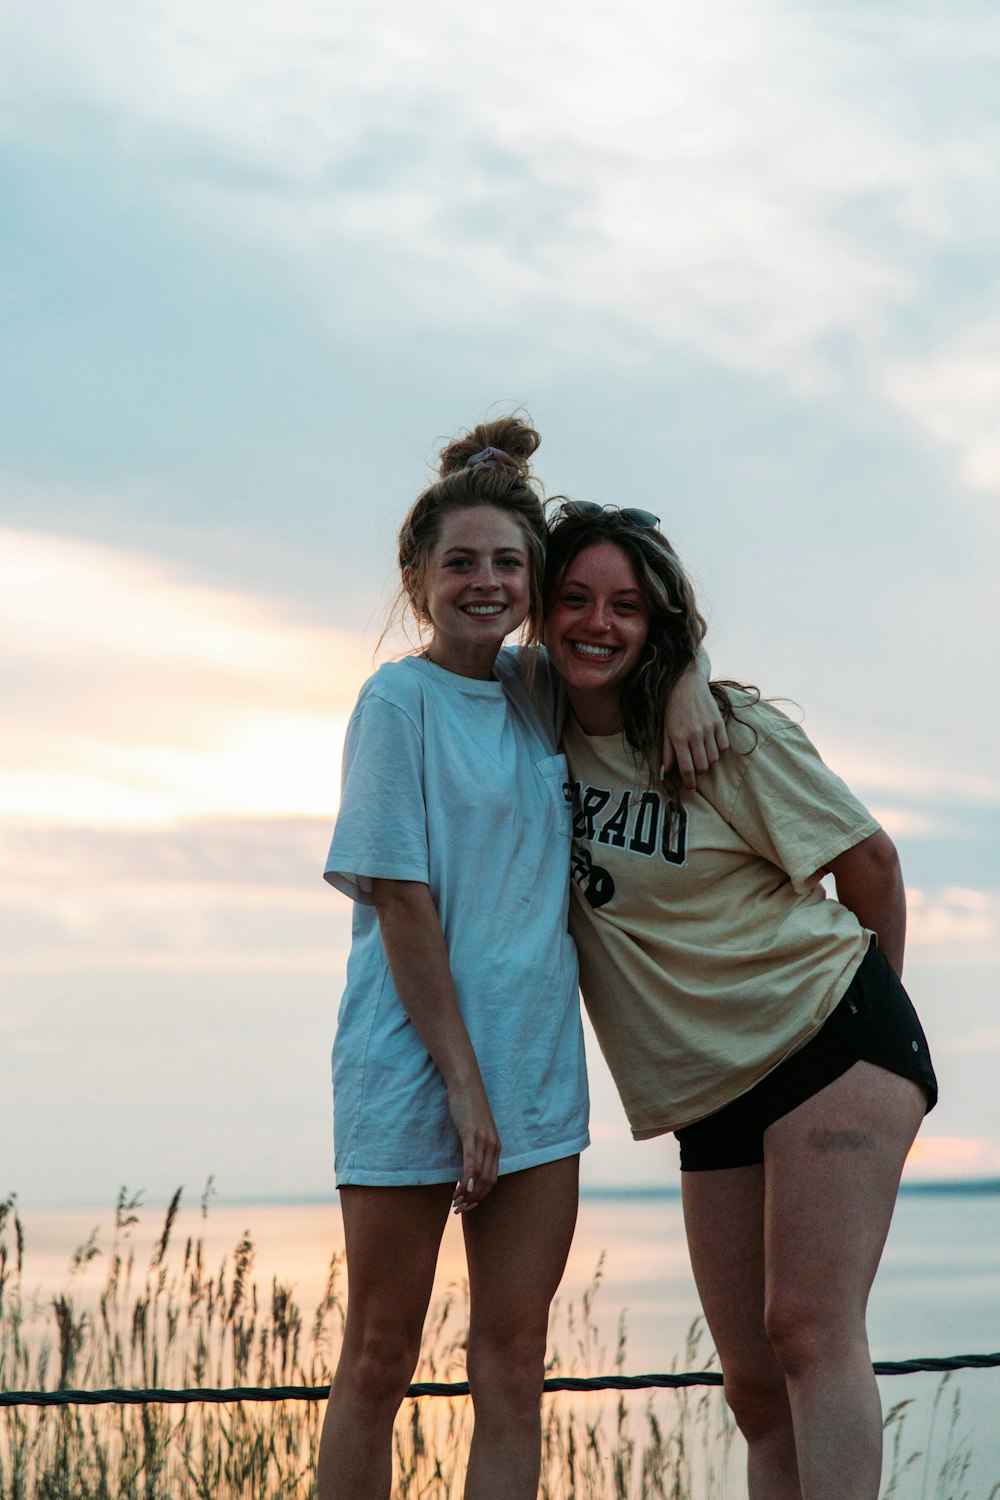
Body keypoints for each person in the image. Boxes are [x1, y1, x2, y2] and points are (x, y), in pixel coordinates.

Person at [541, 502, 937, 1500]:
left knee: (807, 1332)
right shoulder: (528, 723)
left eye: (627, 607)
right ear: (542, 614)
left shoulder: (728, 736)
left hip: (828, 1040)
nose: (599, 622)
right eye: (577, 599)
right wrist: (677, 671)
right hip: (708, 1085)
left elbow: (873, 865)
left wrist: (868, 1023)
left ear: (658, 624)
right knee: (755, 1389)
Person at [317, 418, 590, 1500]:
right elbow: (401, 901)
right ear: (417, 575)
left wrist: (682, 681)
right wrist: (462, 1090)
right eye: (461, 562)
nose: (485, 582)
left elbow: (654, 626)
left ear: (534, 578)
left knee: (513, 1369)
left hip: (535, 1073)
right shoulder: (397, 702)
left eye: (508, 563)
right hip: (410, 1072)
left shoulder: (542, 693)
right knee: (380, 1359)